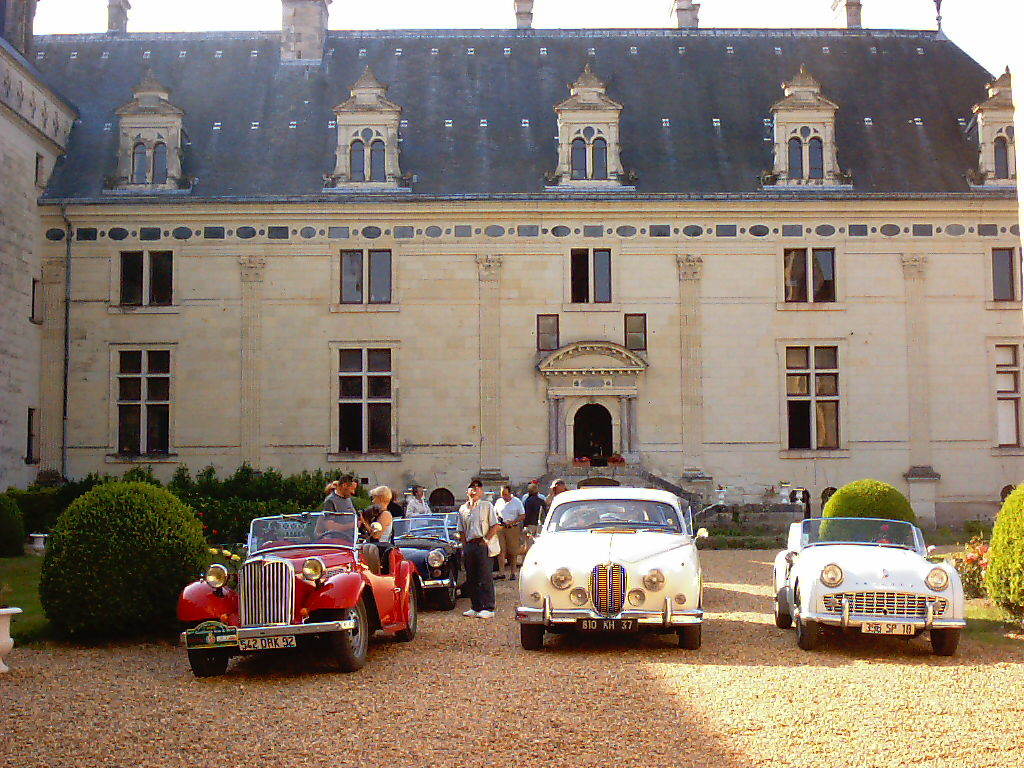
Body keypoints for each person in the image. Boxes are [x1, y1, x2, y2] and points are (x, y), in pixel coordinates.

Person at [457, 478, 499, 618]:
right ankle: (475, 606)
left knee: (485, 575)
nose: (474, 489)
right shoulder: (463, 509)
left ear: (482, 491)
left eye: (478, 487)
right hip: (470, 544)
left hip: (482, 543)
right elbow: (461, 530)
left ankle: (488, 607)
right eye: (472, 487)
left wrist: (486, 539)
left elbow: (495, 525)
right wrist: (465, 546)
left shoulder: (487, 506)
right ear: (467, 491)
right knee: (472, 577)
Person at [494, 485, 525, 580]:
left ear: (510, 493)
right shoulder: (499, 502)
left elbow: (522, 515)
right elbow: (495, 513)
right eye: (502, 494)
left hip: (512, 528)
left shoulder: (517, 502)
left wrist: (513, 522)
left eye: (505, 494)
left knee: (513, 551)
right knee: (501, 551)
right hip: (501, 528)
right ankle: (501, 572)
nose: (503, 496)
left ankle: (513, 573)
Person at [361, 486, 395, 574]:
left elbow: (376, 535)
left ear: (380, 498)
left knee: (369, 548)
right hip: (375, 546)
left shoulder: (386, 514)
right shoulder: (378, 514)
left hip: (380, 549)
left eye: (374, 498)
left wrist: (364, 523)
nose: (372, 501)